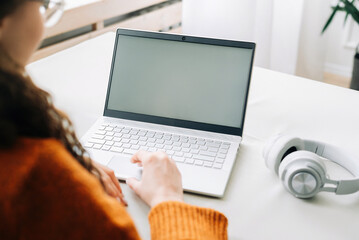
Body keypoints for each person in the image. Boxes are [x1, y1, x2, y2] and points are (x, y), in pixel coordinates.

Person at [0, 0, 228, 239]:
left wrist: (72, 164)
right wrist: (167, 197)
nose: (43, 18)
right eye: (41, 4)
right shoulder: (40, 175)